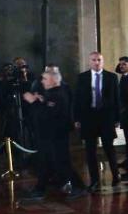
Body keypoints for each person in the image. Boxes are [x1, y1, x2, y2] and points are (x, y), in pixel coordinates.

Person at [22, 70, 85, 201]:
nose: (42, 81)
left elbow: (48, 114)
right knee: (46, 162)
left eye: (45, 78)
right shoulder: (51, 93)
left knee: (62, 162)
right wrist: (41, 100)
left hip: (56, 135)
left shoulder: (59, 94)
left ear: (54, 80)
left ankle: (78, 186)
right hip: (47, 135)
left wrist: (34, 102)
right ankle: (40, 188)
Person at [73, 51, 121, 191]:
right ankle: (94, 180)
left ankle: (116, 175)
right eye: (94, 60)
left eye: (99, 60)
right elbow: (77, 99)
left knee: (109, 148)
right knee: (90, 150)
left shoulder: (111, 77)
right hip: (89, 118)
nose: (96, 62)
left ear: (102, 61)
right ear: (90, 61)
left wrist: (117, 118)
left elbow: (117, 99)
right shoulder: (82, 77)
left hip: (106, 117)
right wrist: (76, 118)